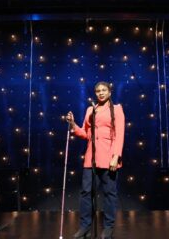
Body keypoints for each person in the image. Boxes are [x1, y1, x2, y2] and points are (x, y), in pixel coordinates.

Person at [66, 81, 125, 239]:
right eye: (98, 91)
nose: (101, 93)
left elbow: (119, 134)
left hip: (109, 158)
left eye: (104, 90)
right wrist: (73, 124)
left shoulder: (117, 109)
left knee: (109, 194)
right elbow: (86, 134)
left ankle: (108, 228)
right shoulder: (90, 109)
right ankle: (85, 227)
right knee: (86, 193)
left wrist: (115, 156)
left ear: (109, 92)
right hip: (90, 158)